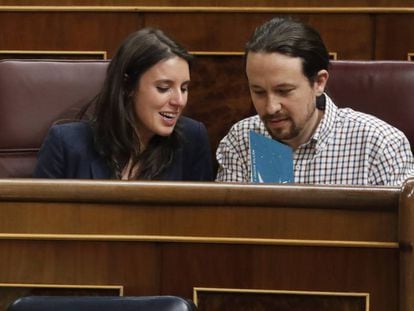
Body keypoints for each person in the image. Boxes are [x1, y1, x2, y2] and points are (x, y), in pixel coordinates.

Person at [216, 17, 414, 186]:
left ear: (319, 82)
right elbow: (230, 227)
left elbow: (404, 228)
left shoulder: (380, 145)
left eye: (284, 91)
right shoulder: (241, 141)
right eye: (258, 92)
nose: (271, 107)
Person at [34, 27, 213, 181]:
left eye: (184, 88)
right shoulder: (66, 143)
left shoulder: (192, 140)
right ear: (128, 86)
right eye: (163, 88)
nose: (179, 101)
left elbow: (203, 218)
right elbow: (37, 218)